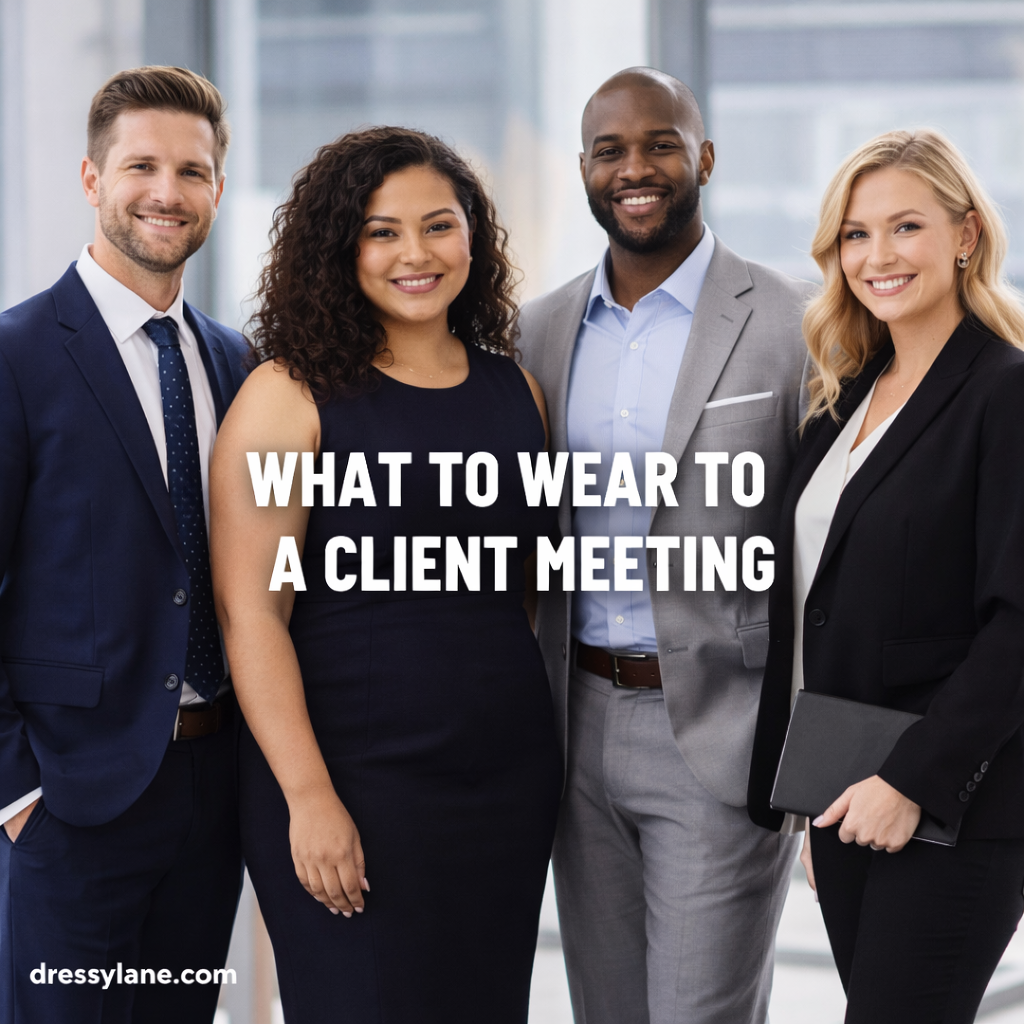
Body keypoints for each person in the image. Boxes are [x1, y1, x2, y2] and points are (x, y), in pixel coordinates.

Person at [210, 126, 562, 1023]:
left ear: (474, 240)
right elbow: (253, 617)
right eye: (381, 231)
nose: (416, 253)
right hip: (352, 785)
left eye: (439, 226)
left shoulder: (512, 389)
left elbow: (514, 592)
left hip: (503, 785)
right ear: (339, 249)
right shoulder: (286, 395)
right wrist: (309, 796)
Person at [515, 67, 811, 1024]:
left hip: (720, 735)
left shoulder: (793, 321)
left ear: (705, 159)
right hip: (575, 725)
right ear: (585, 169)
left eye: (660, 144)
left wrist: (812, 747)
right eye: (611, 150)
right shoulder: (539, 330)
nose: (634, 168)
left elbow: (826, 547)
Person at [746, 128, 1024, 1021]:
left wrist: (910, 780)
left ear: (966, 234)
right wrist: (822, 786)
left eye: (905, 227)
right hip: (846, 793)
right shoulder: (846, 396)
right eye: (856, 235)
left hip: (951, 802)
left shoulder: (1006, 392)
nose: (878, 256)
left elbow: (1018, 623)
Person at [0, 67, 248, 1024]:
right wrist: (17, 789)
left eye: (192, 170)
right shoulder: (18, 357)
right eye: (141, 164)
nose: (167, 191)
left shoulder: (236, 363)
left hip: (211, 792)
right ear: (92, 180)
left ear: (218, 191)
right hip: (69, 802)